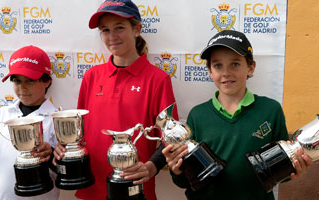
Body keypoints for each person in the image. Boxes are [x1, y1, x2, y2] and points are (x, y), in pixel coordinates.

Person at [162, 30, 313, 200]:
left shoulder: (271, 110)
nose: (226, 73)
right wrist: (176, 170)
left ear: (250, 67)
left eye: (234, 64)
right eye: (218, 65)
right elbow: (184, 181)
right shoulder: (197, 115)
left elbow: (280, 170)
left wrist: (293, 169)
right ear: (210, 72)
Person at [53, 0, 177, 199]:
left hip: (134, 190)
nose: (112, 37)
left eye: (119, 28)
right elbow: (81, 133)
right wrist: (66, 147)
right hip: (91, 189)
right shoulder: (91, 76)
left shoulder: (158, 79)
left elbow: (171, 138)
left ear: (136, 29)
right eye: (105, 30)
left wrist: (152, 167)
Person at [0, 45, 60, 200]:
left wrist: (51, 155)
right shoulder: (3, 113)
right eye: (16, 81)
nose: (22, 88)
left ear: (46, 81)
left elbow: (65, 170)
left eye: (30, 81)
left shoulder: (57, 118)